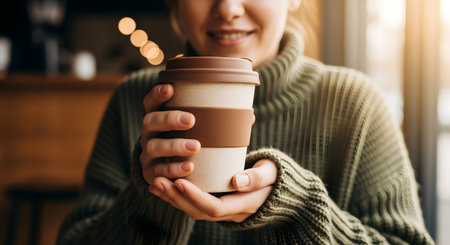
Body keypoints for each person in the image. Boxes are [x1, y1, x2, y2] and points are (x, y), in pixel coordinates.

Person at [57, 0, 435, 244]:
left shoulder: (353, 104)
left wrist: (299, 208)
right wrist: (152, 199)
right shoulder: (133, 101)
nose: (228, 8)